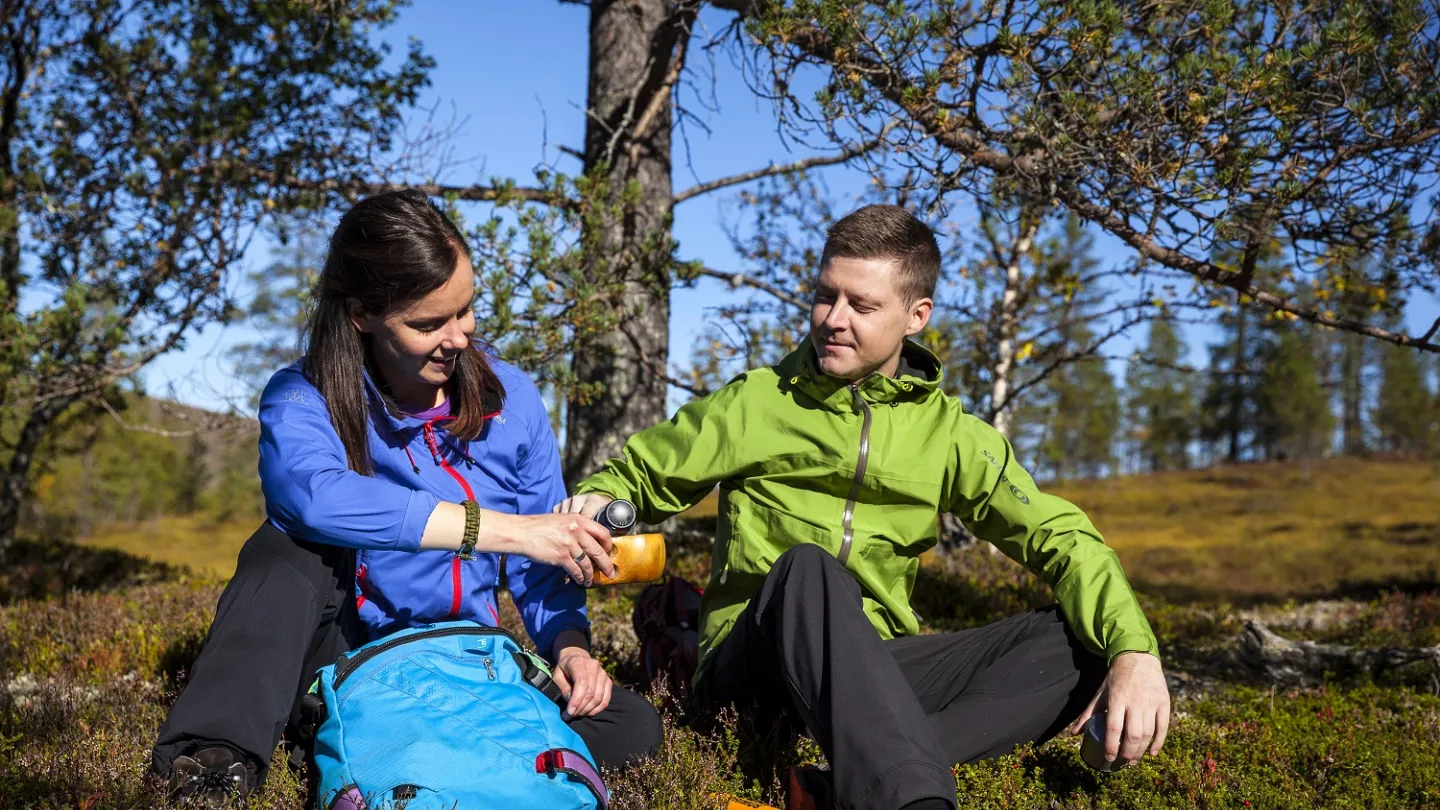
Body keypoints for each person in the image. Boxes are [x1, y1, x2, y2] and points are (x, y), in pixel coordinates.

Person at [554, 205, 1170, 810]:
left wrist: (1134, 652)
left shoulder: (949, 436)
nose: (833, 320)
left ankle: (838, 781)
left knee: (1082, 638)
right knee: (809, 568)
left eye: (862, 305)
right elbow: (635, 474)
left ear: (916, 316)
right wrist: (603, 500)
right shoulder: (756, 403)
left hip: (873, 670)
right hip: (751, 669)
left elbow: (1062, 537)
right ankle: (909, 798)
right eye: (826, 296)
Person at [151, 190, 663, 807]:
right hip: (340, 655)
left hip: (463, 658)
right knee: (288, 546)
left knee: (631, 726)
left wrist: (572, 648)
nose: (458, 338)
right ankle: (213, 758)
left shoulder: (513, 401)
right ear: (361, 314)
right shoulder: (302, 395)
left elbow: (540, 568)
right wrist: (505, 529)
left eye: (466, 311)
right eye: (428, 324)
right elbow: (313, 497)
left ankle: (385, 747)